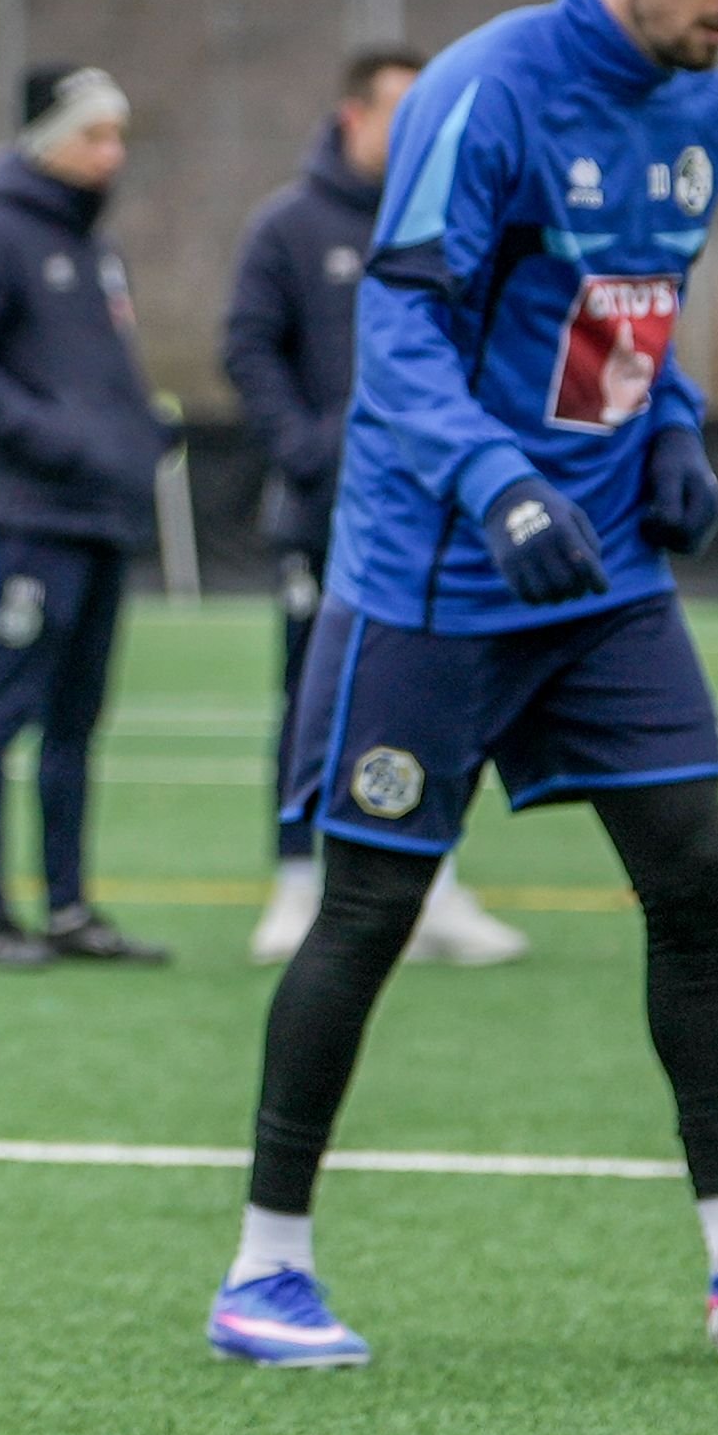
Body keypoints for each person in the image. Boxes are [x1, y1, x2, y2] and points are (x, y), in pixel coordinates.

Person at [210, 0, 718, 1372]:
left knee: (698, 871)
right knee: (368, 905)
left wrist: (677, 432)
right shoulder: (487, 87)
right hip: (440, 568)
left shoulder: (702, 113)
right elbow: (403, 336)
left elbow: (640, 317)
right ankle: (264, 1267)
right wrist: (497, 481)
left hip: (603, 574)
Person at [221, 49, 528, 970]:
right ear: (352, 115)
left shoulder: (460, 217)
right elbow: (246, 348)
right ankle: (295, 883)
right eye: (401, 110)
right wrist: (311, 449)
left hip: (437, 520)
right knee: (309, 699)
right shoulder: (289, 225)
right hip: (327, 518)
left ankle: (433, 885)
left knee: (438, 699)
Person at [0, 63, 174, 970]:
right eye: (97, 134)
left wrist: (139, 434)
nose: (114, 153)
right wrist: (60, 440)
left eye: (118, 135)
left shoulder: (93, 244)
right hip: (29, 518)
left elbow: (96, 375)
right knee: (4, 714)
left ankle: (69, 908)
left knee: (77, 721)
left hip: (100, 517)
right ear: (48, 140)